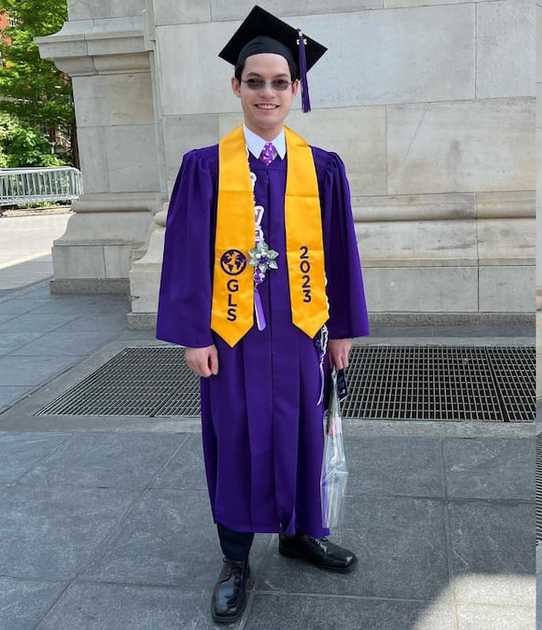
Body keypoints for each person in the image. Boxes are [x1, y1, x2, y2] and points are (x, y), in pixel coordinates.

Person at [155, 6, 368, 624]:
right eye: (256, 81)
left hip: (303, 334)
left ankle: (301, 534)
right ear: (237, 87)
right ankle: (236, 558)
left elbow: (342, 254)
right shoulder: (204, 166)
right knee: (237, 439)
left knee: (305, 432)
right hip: (233, 338)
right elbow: (186, 254)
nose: (268, 92)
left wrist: (344, 330)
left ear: (295, 88)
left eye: (280, 82)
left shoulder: (322, 167)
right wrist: (194, 334)